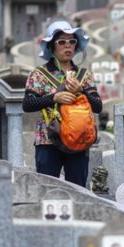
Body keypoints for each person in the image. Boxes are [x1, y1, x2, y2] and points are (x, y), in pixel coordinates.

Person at [23, 20, 103, 188]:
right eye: (61, 42)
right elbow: (28, 104)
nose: (68, 46)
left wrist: (82, 91)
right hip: (48, 140)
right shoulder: (39, 74)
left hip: (78, 138)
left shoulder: (84, 75)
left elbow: (97, 106)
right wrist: (54, 98)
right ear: (51, 46)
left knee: (78, 190)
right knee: (47, 189)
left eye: (72, 41)